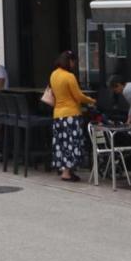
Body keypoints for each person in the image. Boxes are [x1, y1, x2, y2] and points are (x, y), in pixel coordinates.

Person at [50, 51, 95, 182]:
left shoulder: (54, 74)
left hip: (58, 114)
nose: (74, 65)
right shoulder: (69, 76)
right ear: (69, 61)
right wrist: (91, 100)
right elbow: (78, 96)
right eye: (74, 62)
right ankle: (68, 172)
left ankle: (65, 170)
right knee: (71, 142)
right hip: (71, 114)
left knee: (62, 143)